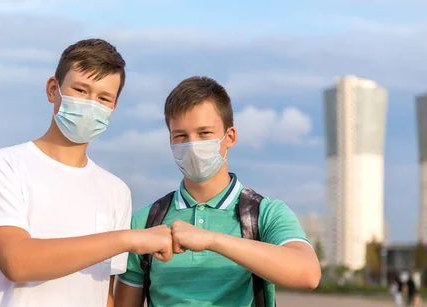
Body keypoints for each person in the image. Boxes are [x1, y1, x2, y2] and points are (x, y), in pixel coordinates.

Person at [0, 38, 173, 307]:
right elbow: (17, 262)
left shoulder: (117, 191)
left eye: (103, 98)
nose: (91, 104)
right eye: (81, 90)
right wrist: (129, 239)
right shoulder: (3, 165)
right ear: (53, 89)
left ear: (113, 108)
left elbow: (103, 292)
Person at [114, 76, 322, 306]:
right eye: (181, 136)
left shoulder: (265, 213)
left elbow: (308, 274)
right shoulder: (145, 221)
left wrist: (212, 240)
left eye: (204, 134)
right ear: (170, 140)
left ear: (230, 137)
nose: (192, 145)